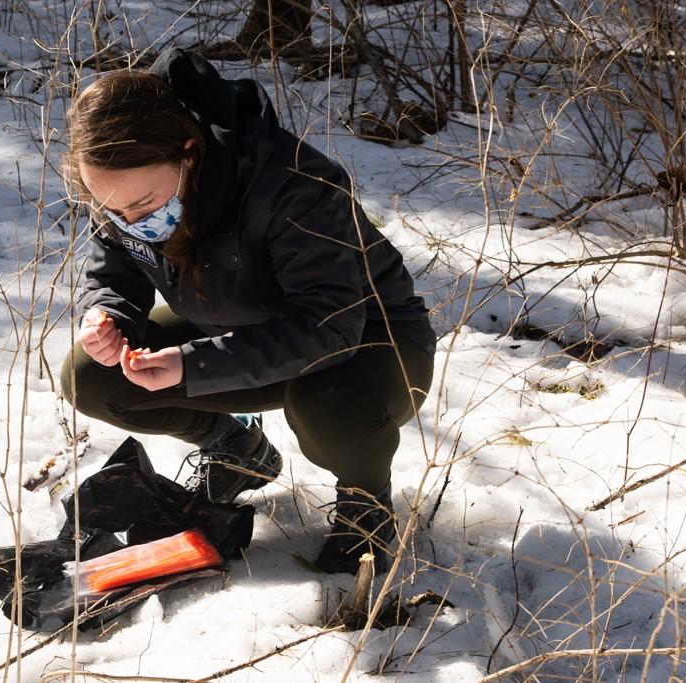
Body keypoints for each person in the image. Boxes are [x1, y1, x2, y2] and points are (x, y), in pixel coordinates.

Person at [59, 47, 436, 575]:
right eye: (113, 210)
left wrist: (194, 364)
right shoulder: (126, 190)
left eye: (141, 207)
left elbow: (329, 327)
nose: (129, 220)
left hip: (369, 344)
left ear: (188, 153)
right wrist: (109, 316)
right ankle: (235, 447)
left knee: (326, 399)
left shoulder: (295, 185)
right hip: (234, 329)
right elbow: (112, 270)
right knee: (89, 375)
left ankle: (365, 507)